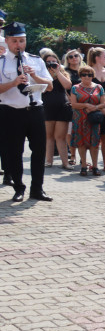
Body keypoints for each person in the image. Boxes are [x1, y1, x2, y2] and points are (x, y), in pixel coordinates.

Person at [0, 22, 52, 201]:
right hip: (11, 111)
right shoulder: (1, 62)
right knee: (14, 151)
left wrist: (34, 76)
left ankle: (37, 189)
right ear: (7, 41)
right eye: (14, 41)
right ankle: (18, 187)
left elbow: (50, 85)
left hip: (35, 110)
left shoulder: (35, 60)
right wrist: (14, 83)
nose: (18, 45)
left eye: (21, 41)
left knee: (39, 150)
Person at [39, 48, 73, 170]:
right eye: (49, 62)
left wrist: (57, 72)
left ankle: (65, 162)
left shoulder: (62, 72)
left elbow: (68, 85)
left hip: (62, 107)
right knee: (49, 136)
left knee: (61, 136)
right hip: (47, 107)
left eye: (54, 61)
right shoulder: (42, 73)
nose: (52, 63)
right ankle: (49, 161)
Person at [69, 65, 105, 176]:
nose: (87, 77)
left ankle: (95, 166)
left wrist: (95, 107)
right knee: (81, 142)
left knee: (94, 143)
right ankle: (83, 166)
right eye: (84, 75)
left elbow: (103, 103)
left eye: (89, 75)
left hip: (93, 119)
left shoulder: (99, 87)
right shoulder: (75, 88)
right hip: (80, 118)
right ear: (80, 76)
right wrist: (85, 105)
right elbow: (73, 104)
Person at [86, 46, 105, 172]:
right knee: (94, 137)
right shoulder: (88, 72)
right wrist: (97, 105)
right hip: (92, 108)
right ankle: (94, 164)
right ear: (97, 58)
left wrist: (104, 102)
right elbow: (84, 89)